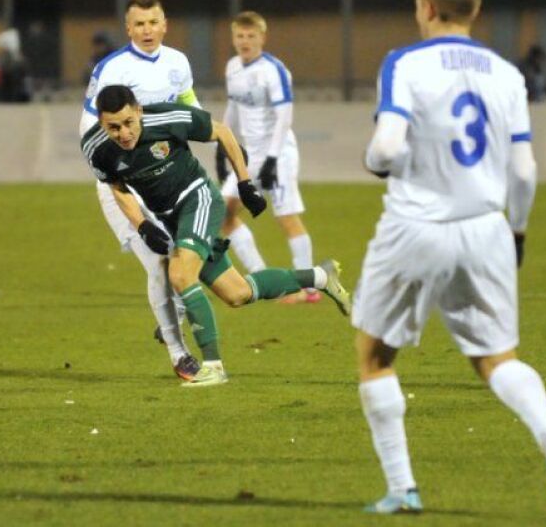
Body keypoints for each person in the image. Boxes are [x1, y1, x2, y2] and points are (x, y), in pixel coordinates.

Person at [352, 0, 546, 517]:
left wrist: (375, 162)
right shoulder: (507, 74)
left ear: (428, 7)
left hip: (416, 226)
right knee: (496, 358)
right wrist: (518, 230)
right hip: (487, 227)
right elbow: (524, 171)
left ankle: (403, 489)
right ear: (475, 10)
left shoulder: (404, 62)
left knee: (375, 356)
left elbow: (386, 147)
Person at [82, 84, 352, 386]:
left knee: (181, 275)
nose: (123, 133)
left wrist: (245, 183)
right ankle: (321, 277)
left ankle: (213, 366)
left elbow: (222, 131)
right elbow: (118, 187)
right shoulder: (96, 148)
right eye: (113, 127)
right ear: (102, 124)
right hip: (171, 218)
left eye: (128, 123)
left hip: (198, 199)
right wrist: (142, 226)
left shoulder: (168, 118)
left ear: (139, 111)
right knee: (237, 293)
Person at [81, 0, 202, 383]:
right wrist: (115, 166)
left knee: (190, 254)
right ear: (128, 28)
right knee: (159, 262)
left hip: (165, 180)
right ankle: (178, 352)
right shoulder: (112, 69)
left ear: (164, 24)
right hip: (122, 186)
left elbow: (189, 105)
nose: (147, 30)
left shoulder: (177, 62)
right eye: (139, 24)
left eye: (153, 22)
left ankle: (171, 316)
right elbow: (88, 126)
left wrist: (208, 135)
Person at [216, 11, 320, 304]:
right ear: (233, 38)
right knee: (223, 214)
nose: (245, 41)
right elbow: (233, 108)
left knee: (286, 217)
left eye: (251, 36)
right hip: (250, 156)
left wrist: (273, 159)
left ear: (262, 37)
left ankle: (308, 289)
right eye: (240, 36)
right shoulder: (233, 67)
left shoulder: (274, 70)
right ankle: (262, 277)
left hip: (279, 153)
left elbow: (284, 116)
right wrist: (222, 146)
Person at [0, 28, 32, 103]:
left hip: (12, 83)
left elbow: (5, 68)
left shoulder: (11, 57)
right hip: (13, 83)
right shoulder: (17, 57)